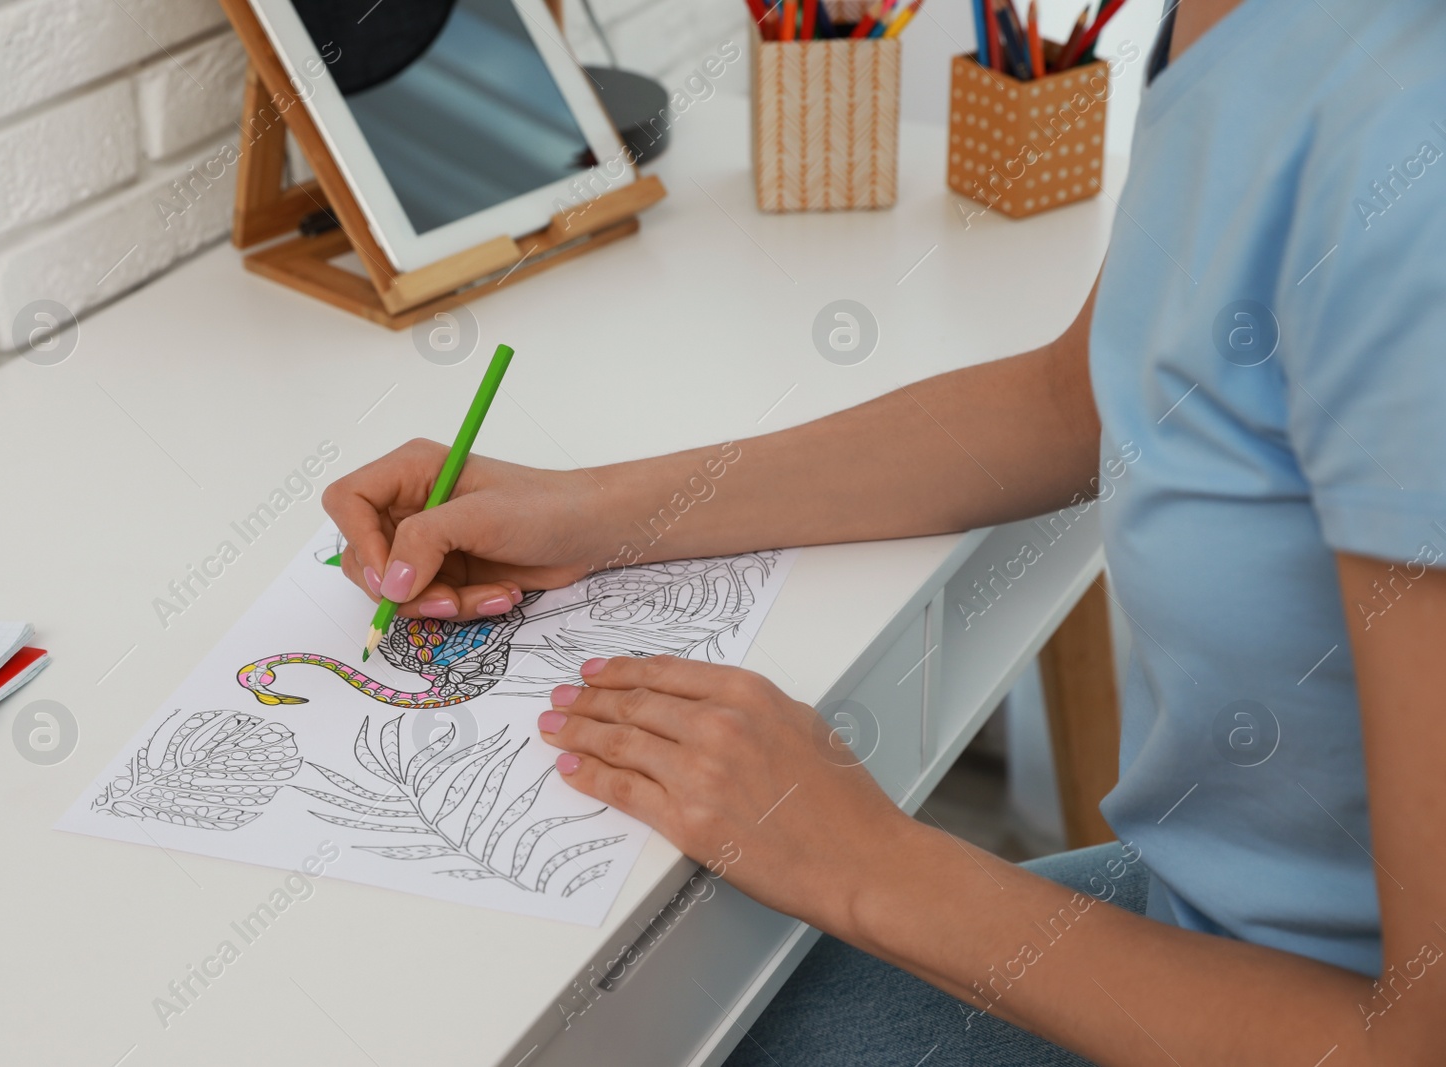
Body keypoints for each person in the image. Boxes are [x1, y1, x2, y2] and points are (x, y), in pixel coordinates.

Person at [321, 0, 1446, 1060]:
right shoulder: (1223, 27)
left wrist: (871, 863)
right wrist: (600, 510)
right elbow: (1076, 396)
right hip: (1205, 912)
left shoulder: (1408, 158)